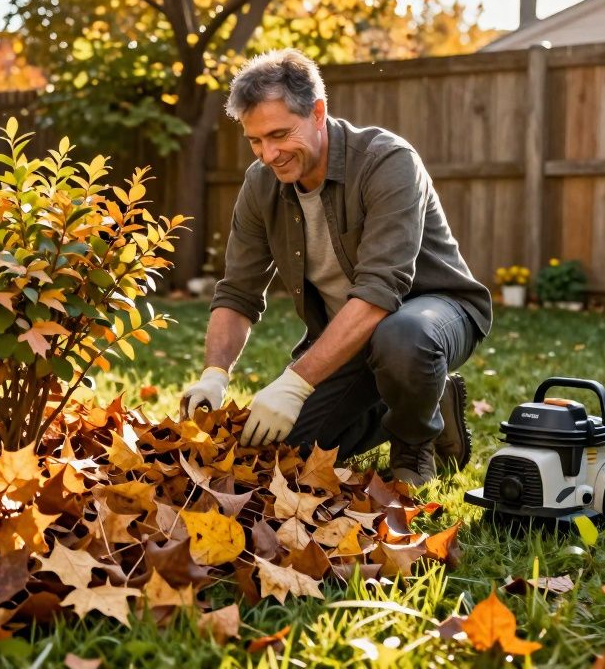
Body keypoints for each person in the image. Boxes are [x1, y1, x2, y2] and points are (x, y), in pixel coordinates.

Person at [179, 49, 493, 486]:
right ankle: (422, 396)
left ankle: (414, 444)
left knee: (403, 338)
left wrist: (296, 382)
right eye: (255, 141)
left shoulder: (387, 162)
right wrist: (214, 374)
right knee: (282, 454)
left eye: (280, 134)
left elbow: (382, 290)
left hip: (432, 316)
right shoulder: (260, 183)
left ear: (318, 112)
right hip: (349, 335)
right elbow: (238, 292)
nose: (269, 154)